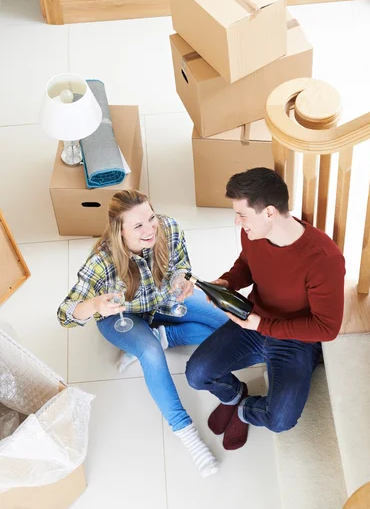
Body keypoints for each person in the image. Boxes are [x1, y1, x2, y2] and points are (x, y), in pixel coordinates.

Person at [58, 189, 228, 477]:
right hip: (123, 317)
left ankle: (166, 337)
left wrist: (181, 279)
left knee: (223, 324)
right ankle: (187, 435)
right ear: (119, 230)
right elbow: (65, 313)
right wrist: (96, 304)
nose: (150, 229)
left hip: (162, 301)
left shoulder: (169, 227)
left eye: (150, 218)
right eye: (138, 226)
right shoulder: (101, 260)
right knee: (150, 354)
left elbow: (183, 266)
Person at [186, 167, 345, 451]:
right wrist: (228, 281)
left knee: (280, 420)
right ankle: (234, 396)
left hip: (296, 340)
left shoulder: (324, 259)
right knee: (197, 374)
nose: (237, 222)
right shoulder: (254, 233)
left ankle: (246, 410)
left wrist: (263, 326)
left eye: (242, 214)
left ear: (269, 212)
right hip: (253, 321)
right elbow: (247, 264)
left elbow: (327, 328)